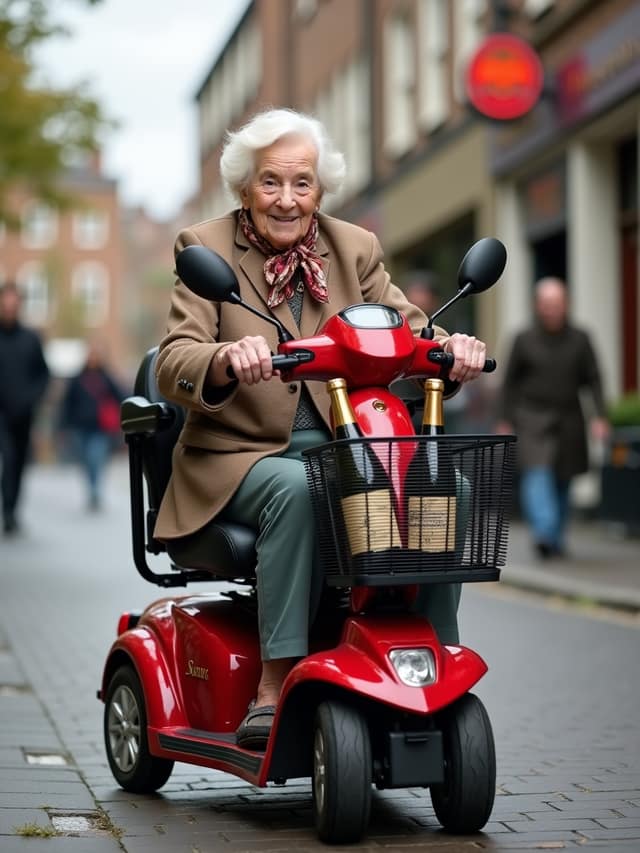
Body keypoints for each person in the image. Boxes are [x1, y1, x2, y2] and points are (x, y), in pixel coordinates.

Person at [154, 108, 488, 748]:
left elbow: (412, 329)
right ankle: (274, 680)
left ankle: (433, 654)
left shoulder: (354, 247)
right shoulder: (205, 248)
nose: (286, 199)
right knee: (300, 488)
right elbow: (174, 361)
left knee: (448, 487)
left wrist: (454, 350)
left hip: (350, 444)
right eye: (270, 182)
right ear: (245, 187)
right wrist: (224, 358)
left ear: (320, 189)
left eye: (301, 183)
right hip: (242, 457)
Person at [496, 276, 609, 559]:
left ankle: (555, 538)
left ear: (566, 304)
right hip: (531, 417)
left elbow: (594, 379)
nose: (552, 309)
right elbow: (509, 383)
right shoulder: (523, 339)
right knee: (537, 474)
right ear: (537, 306)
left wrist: (599, 416)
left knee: (563, 479)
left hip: (569, 417)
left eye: (556, 303)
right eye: (546, 304)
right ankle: (544, 531)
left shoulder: (580, 339)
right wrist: (504, 419)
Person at [0, 281, 50, 534]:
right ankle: (7, 510)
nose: (9, 308)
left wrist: (32, 398)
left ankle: (11, 510)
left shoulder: (31, 339)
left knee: (18, 462)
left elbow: (43, 374)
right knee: (8, 458)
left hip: (23, 414)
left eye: (13, 304)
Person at [59, 341, 126, 511]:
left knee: (95, 457)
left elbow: (120, 395)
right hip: (80, 427)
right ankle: (91, 489)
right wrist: (63, 426)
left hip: (99, 427)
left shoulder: (106, 378)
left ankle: (95, 491)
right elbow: (67, 403)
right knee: (86, 461)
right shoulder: (77, 379)